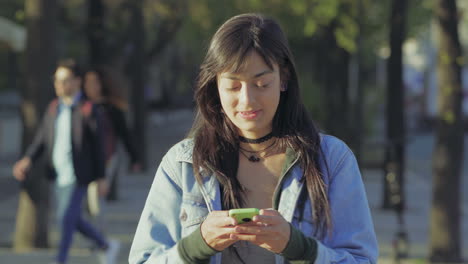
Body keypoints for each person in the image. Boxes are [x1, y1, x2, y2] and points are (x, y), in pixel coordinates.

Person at [129, 13, 378, 264]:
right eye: (233, 86)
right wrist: (196, 245)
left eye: (261, 84)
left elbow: (362, 260)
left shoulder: (331, 160)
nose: (247, 100)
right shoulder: (182, 163)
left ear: (284, 78)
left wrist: (299, 247)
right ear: (215, 84)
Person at [12, 59, 120, 264]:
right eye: (57, 80)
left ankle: (60, 260)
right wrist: (27, 159)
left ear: (78, 82)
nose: (60, 85)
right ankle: (105, 244)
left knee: (64, 219)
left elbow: (99, 147)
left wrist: (102, 178)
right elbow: (41, 140)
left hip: (78, 176)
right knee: (71, 219)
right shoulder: (54, 108)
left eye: (65, 80)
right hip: (58, 175)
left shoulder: (88, 109)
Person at [83, 66, 141, 205]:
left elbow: (124, 134)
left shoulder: (111, 108)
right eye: (87, 82)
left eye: (94, 82)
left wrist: (134, 158)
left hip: (107, 157)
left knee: (96, 201)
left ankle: (97, 226)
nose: (90, 86)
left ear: (102, 84)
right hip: (84, 158)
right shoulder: (81, 106)